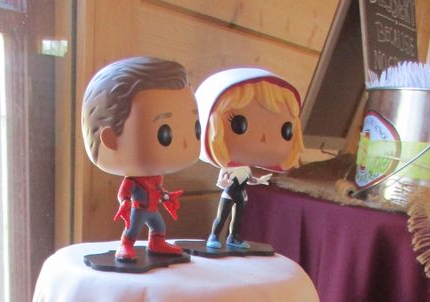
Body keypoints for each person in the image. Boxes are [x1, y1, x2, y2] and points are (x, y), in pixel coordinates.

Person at [81, 56, 200, 261]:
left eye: (196, 128)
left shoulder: (156, 177)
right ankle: (125, 246)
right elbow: (124, 194)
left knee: (159, 226)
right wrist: (125, 202)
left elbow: (157, 190)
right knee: (132, 229)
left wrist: (165, 196)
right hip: (139, 209)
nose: (186, 144)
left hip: (152, 209)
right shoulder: (132, 181)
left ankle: (157, 242)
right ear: (110, 139)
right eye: (165, 133)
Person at [196, 67, 304, 250]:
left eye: (285, 129)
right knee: (222, 216)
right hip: (229, 194)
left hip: (242, 195)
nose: (263, 138)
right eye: (239, 125)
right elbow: (223, 182)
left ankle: (234, 237)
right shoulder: (229, 168)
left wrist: (259, 180)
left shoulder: (245, 169)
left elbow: (248, 179)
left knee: (238, 219)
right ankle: (214, 235)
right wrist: (222, 182)